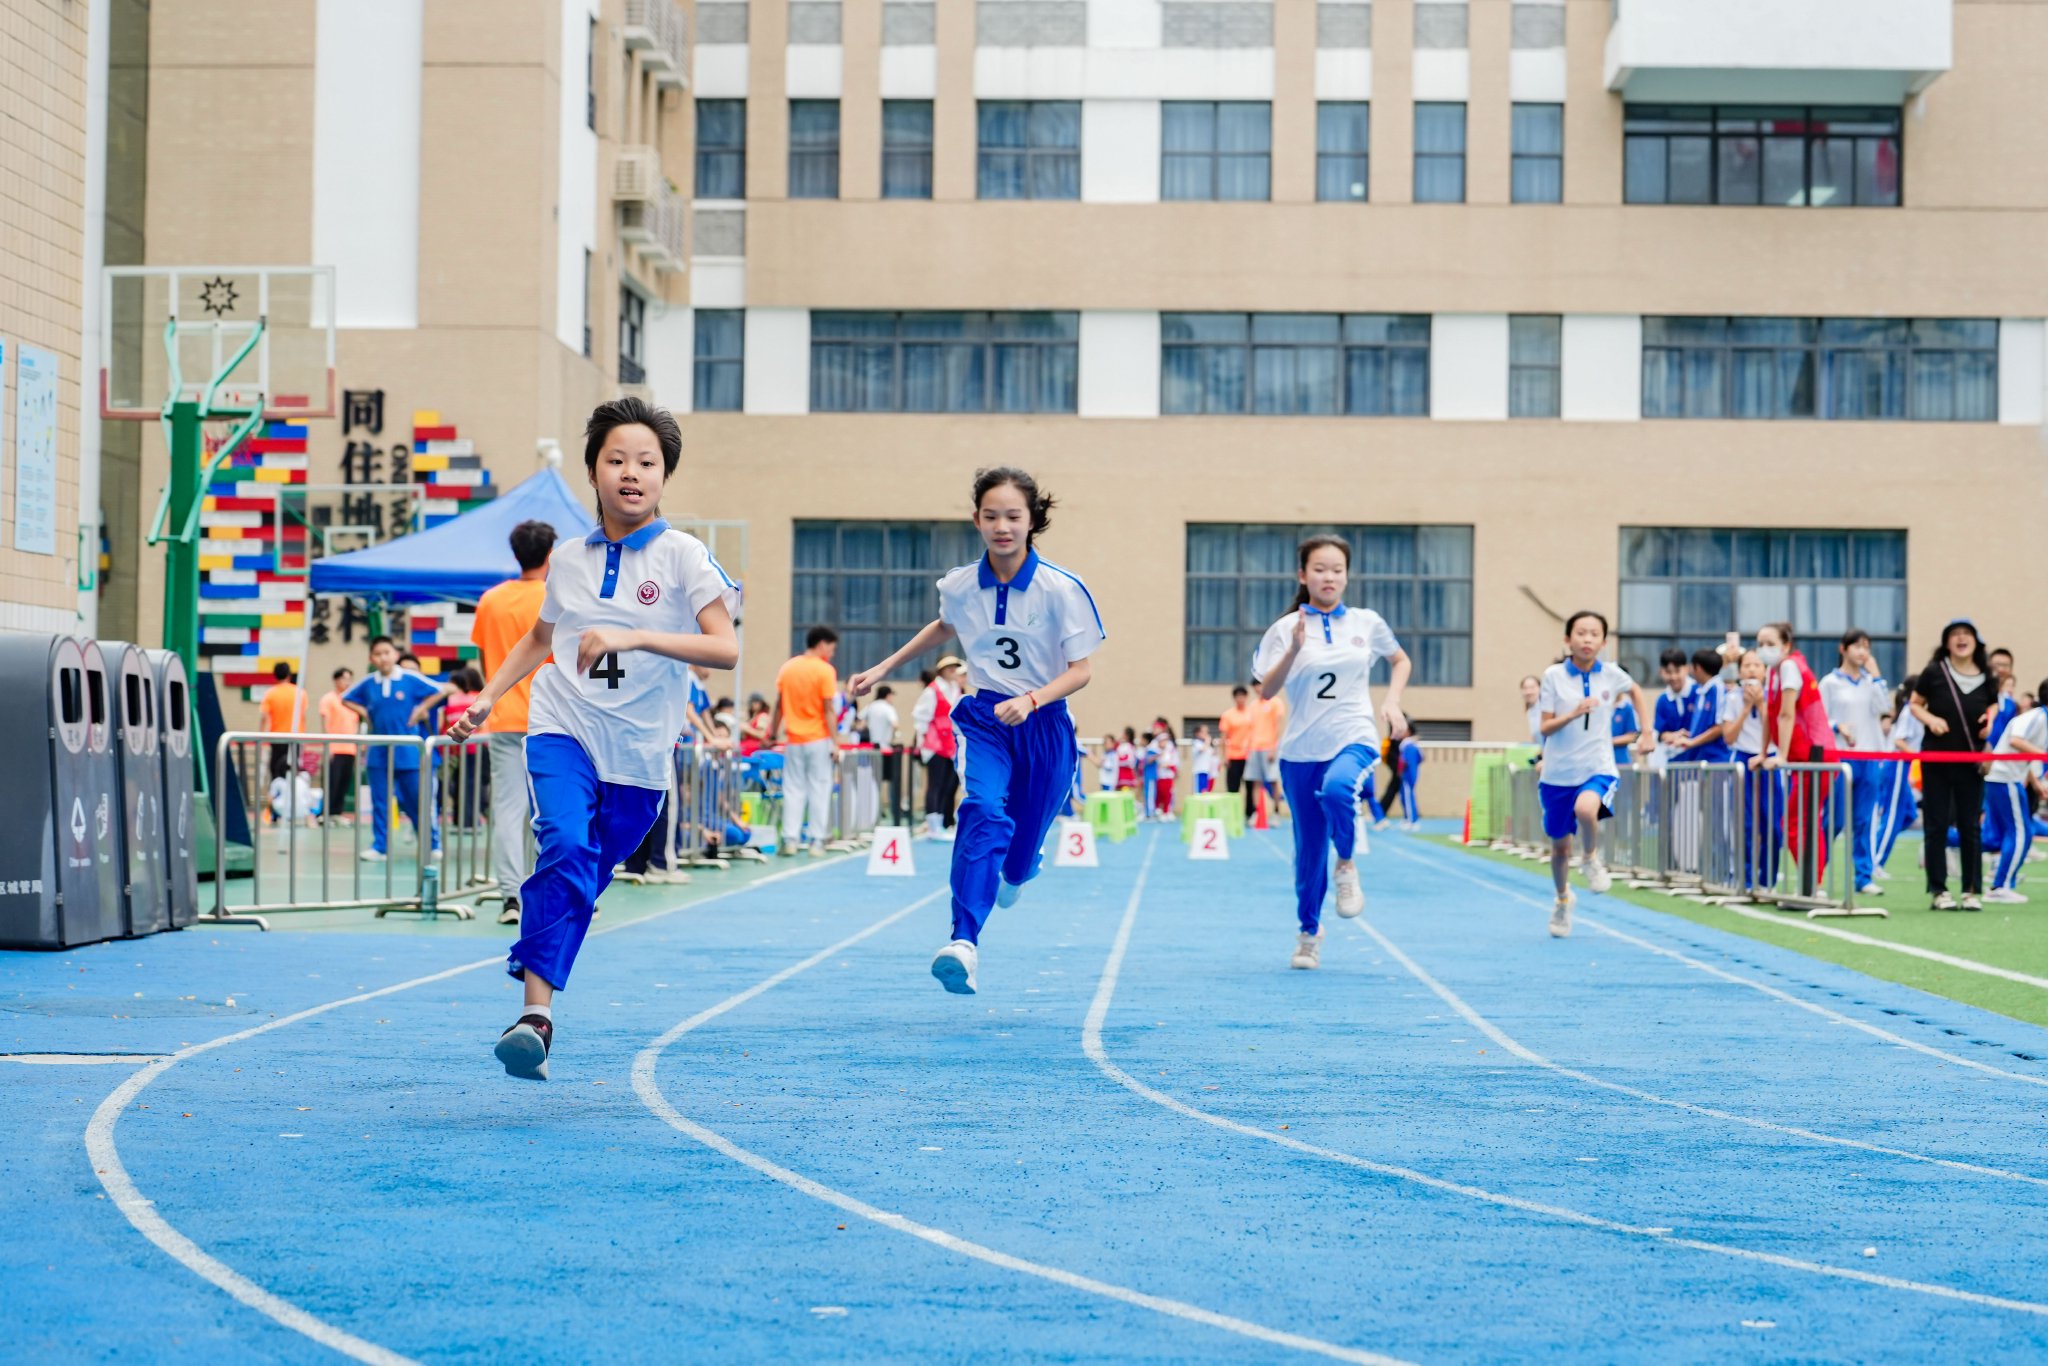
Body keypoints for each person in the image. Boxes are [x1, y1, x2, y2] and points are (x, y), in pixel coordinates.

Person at [449, 396, 740, 1081]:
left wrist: (637, 634)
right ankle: (535, 1017)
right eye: (616, 460)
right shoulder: (569, 561)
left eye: (647, 461)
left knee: (583, 876)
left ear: (665, 476)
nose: (631, 472)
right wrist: (489, 697)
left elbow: (722, 649)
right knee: (565, 845)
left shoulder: (684, 557)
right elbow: (544, 639)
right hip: (563, 724)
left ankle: (539, 997)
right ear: (592, 471)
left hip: (638, 756)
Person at [848, 466, 1103, 996]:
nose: (1002, 526)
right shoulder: (960, 584)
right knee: (982, 808)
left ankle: (1016, 870)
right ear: (976, 520)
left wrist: (1032, 699)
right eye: (991, 516)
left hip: (1045, 725)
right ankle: (963, 941)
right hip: (986, 719)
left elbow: (1081, 670)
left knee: (1019, 850)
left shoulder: (1062, 589)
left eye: (1013, 516)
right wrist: (881, 669)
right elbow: (945, 626)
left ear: (1032, 520)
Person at [1252, 534, 1410, 970]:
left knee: (1341, 790)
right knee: (1307, 854)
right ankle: (1308, 932)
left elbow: (1400, 660)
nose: (1329, 577)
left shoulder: (1366, 622)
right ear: (1303, 575)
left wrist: (1392, 701)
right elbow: (1265, 691)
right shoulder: (1284, 630)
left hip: (1353, 735)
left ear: (1347, 575)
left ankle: (1346, 864)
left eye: (1337, 569)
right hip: (1301, 751)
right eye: (1320, 569)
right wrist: (1295, 650)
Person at [1535, 611, 1656, 938]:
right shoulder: (1554, 676)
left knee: (1586, 809)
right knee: (1559, 849)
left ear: (1603, 642)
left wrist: (1647, 732)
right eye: (1580, 633)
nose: (1587, 640)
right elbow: (1545, 726)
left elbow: (1636, 692)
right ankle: (1562, 900)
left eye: (1593, 634)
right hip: (1558, 774)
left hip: (1597, 766)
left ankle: (1590, 858)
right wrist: (1572, 713)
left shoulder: (1612, 674)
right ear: (1567, 639)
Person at [469, 517, 556, 924]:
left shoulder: (490, 600)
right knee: (555, 809)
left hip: (502, 715)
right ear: (551, 554)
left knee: (508, 809)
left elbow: (483, 657)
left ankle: (510, 896)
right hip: (551, 717)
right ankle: (557, 888)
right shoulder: (557, 595)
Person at [1906, 619, 1999, 911]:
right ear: (1946, 642)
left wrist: (1990, 721)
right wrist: (1931, 720)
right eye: (1955, 635)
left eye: (1967, 634)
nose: (1961, 639)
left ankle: (1971, 891)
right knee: (1936, 824)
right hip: (1936, 760)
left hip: (1971, 761)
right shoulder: (1935, 672)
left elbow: (1993, 704)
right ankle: (1939, 890)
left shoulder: (1986, 675)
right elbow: (1914, 703)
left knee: (1971, 825)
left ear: (1977, 642)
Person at [343, 637, 445, 862]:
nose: (383, 657)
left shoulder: (410, 678)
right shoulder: (368, 682)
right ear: (372, 658)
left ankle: (431, 843)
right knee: (380, 801)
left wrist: (421, 709)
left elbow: (439, 690)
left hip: (408, 751)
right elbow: (346, 698)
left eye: (386, 652)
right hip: (378, 751)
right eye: (377, 654)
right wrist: (365, 712)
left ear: (395, 655)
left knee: (417, 800)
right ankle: (380, 846)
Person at [1758, 621, 1838, 898]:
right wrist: (1763, 751)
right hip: (1800, 758)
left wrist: (1779, 755)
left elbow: (1786, 714)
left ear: (1786, 645)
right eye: (1760, 644)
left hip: (1815, 756)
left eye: (1770, 644)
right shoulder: (1773, 671)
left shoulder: (1791, 667)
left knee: (1801, 822)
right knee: (1797, 822)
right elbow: (1770, 713)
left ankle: (1814, 883)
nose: (1764, 650)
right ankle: (1810, 881)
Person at [1819, 629, 1889, 896]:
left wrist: (1878, 675)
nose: (1862, 652)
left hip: (1869, 755)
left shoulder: (1871, 683)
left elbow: (1884, 708)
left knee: (1863, 820)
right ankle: (1817, 875)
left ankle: (1863, 876)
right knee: (1834, 820)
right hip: (1840, 757)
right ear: (1843, 649)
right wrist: (1838, 726)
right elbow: (1819, 719)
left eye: (1866, 647)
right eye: (1857, 646)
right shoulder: (1829, 683)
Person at [769, 626, 842, 857]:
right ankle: (816, 841)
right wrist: (836, 741)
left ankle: (790, 839)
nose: (831, 653)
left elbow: (779, 704)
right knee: (820, 788)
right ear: (822, 644)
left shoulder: (788, 667)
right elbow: (828, 709)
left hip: (794, 739)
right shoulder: (825, 670)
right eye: (831, 648)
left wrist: (772, 732)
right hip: (818, 738)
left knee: (793, 789)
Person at [1720, 648, 1780, 891]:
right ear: (1739, 670)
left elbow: (1776, 729)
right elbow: (1729, 737)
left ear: (1766, 671)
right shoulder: (1732, 698)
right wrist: (1746, 708)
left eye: (1757, 665)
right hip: (1743, 760)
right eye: (1747, 665)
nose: (1752, 670)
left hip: (1769, 759)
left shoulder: (1773, 696)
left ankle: (1768, 879)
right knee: (1745, 824)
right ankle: (1744, 879)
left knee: (1773, 825)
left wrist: (1762, 704)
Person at [1985, 674, 2048, 902]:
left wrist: (2037, 783)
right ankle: (1999, 886)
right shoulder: (2036, 716)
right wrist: (2041, 756)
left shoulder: (2043, 720)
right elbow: (2015, 740)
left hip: (2011, 779)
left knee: (1996, 837)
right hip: (2003, 778)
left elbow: (2025, 753)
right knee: (2020, 833)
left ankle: (2002, 881)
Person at [1874, 683, 1923, 876]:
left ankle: (1877, 843)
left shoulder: (1917, 713)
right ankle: (1875, 861)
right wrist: (1919, 758)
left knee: (1909, 814)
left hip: (1904, 766)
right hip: (1897, 764)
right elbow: (1899, 741)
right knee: (1892, 816)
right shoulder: (1910, 712)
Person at [912, 659, 963, 839]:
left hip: (950, 745)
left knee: (947, 786)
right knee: (935, 784)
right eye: (949, 668)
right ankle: (933, 825)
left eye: (955, 668)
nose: (953, 671)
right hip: (934, 744)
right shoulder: (932, 690)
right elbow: (921, 717)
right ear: (941, 670)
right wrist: (921, 742)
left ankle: (941, 822)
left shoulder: (955, 689)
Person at [317, 667, 359, 825]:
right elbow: (325, 724)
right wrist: (327, 746)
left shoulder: (352, 700)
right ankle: (324, 814)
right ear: (336, 680)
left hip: (350, 749)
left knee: (343, 783)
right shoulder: (328, 699)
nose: (347, 682)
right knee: (331, 783)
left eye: (350, 679)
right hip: (335, 748)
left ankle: (336, 813)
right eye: (344, 679)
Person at [258, 662, 304, 785]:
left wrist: (261, 737)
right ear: (289, 675)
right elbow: (302, 716)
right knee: (293, 770)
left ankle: (276, 798)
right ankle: (291, 799)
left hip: (277, 738)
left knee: (276, 771)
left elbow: (264, 717)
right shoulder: (300, 693)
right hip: (296, 737)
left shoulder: (271, 693)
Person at [865, 684, 905, 825]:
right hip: (885, 749)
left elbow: (860, 722)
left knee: (873, 783)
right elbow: (895, 724)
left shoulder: (871, 706)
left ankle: (873, 813)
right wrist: (897, 735)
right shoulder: (888, 708)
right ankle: (894, 812)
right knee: (891, 782)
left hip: (872, 748)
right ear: (887, 695)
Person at [1246, 684, 1287, 820]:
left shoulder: (1275, 702)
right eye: (1255, 687)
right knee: (1256, 782)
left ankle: (1276, 812)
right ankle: (1257, 813)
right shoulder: (1253, 705)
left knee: (1273, 781)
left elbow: (1278, 727)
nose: (1258, 689)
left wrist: (1274, 748)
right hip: (1254, 748)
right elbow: (1250, 728)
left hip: (1269, 748)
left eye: (1260, 686)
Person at [1652, 647, 1694, 763]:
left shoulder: (1699, 693)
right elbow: (1659, 732)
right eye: (1668, 672)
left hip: (1698, 758)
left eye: (1677, 671)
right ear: (1661, 672)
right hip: (1673, 760)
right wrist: (1670, 736)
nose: (1673, 677)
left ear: (1686, 669)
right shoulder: (1663, 700)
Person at [1219, 686, 1255, 809]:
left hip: (1249, 756)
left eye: (1243, 696)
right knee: (1233, 788)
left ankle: (1250, 814)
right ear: (1234, 698)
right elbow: (1223, 737)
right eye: (1238, 696)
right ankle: (1232, 813)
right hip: (1233, 756)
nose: (1241, 699)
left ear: (1246, 697)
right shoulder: (1228, 715)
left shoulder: (1252, 714)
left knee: (1250, 787)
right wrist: (1224, 756)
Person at [1150, 719, 1179, 818]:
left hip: (1168, 773)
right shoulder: (1154, 744)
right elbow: (1150, 757)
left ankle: (1167, 810)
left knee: (1168, 792)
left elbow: (1174, 759)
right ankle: (1158, 809)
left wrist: (1172, 767)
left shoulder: (1170, 745)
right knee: (1159, 792)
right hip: (1159, 774)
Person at [1397, 732, 1425, 827]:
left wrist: (1400, 772)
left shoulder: (1408, 747)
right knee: (1406, 797)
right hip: (1412, 775)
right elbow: (1421, 758)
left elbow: (1403, 761)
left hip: (1407, 776)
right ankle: (1408, 818)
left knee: (1408, 797)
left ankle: (1412, 820)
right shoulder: (1415, 748)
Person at [1191, 724, 1217, 795]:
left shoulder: (1208, 745)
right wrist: (1207, 741)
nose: (1206, 734)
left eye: (1207, 732)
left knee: (1205, 792)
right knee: (1199, 793)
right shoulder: (1196, 743)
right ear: (1197, 733)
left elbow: (1213, 754)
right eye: (1203, 732)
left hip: (1207, 772)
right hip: (1199, 771)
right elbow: (1202, 749)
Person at [1520, 674, 1543, 745]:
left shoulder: (1545, 706)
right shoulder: (1530, 709)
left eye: (1532, 688)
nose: (1528, 692)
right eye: (1525, 688)